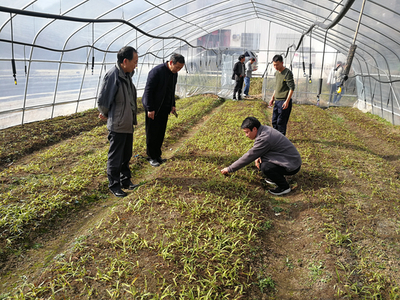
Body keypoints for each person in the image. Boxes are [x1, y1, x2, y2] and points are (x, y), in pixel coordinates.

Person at [221, 117, 302, 196]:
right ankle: (275, 178)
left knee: (265, 167)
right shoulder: (264, 129)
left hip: (292, 165)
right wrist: (258, 156)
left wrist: (229, 169)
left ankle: (284, 187)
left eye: (247, 132)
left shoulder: (264, 138)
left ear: (255, 129)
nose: (246, 135)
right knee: (262, 160)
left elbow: (249, 156)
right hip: (291, 160)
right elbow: (264, 149)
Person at [97, 46, 139, 198]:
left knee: (126, 155)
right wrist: (108, 115)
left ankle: (125, 181)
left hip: (127, 123)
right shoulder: (113, 75)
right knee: (115, 157)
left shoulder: (127, 75)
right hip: (118, 124)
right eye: (134, 61)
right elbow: (103, 101)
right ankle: (114, 185)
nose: (136, 65)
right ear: (125, 61)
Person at [142, 53, 185, 167]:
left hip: (164, 108)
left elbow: (171, 91)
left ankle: (158, 156)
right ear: (171, 63)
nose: (178, 70)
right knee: (152, 133)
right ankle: (151, 157)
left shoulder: (174, 74)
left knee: (160, 133)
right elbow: (148, 91)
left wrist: (172, 104)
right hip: (153, 109)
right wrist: (150, 108)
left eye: (180, 68)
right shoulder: (157, 71)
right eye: (177, 67)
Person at [268, 54, 295, 136]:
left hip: (284, 101)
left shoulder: (287, 73)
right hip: (277, 101)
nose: (275, 66)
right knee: (274, 121)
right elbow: (277, 87)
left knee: (281, 122)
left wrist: (287, 101)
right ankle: (277, 137)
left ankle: (281, 139)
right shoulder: (276, 73)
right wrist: (272, 98)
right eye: (274, 65)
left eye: (277, 64)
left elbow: (292, 88)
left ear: (282, 63)